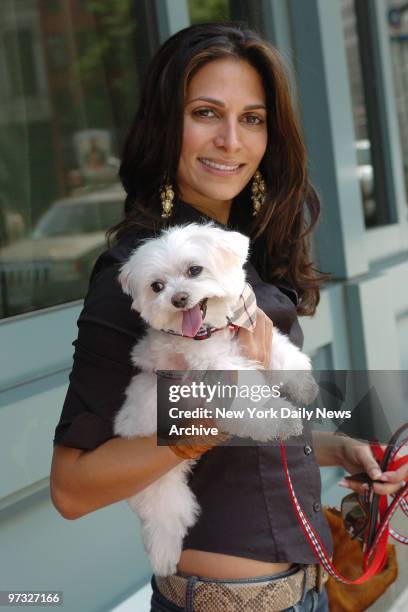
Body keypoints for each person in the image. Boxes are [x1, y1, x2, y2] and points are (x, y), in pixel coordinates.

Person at [50, 23, 406, 612]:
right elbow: (70, 488)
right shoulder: (142, 278)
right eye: (207, 112)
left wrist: (339, 449)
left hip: (305, 592)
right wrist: (207, 425)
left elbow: (248, 443)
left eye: (253, 118)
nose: (231, 140)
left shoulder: (234, 255)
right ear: (167, 125)